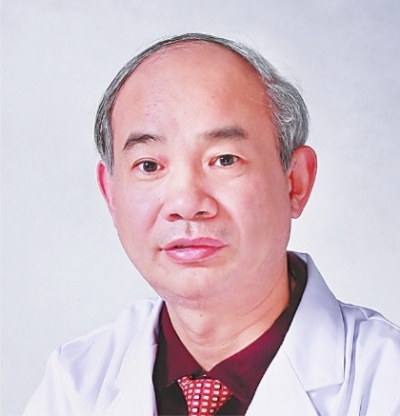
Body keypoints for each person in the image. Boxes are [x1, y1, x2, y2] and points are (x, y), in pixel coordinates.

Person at [24, 33, 400, 416]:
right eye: (149, 165)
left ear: (295, 182)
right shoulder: (74, 384)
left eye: (224, 160)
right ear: (111, 194)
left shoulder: (387, 381)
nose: (186, 204)